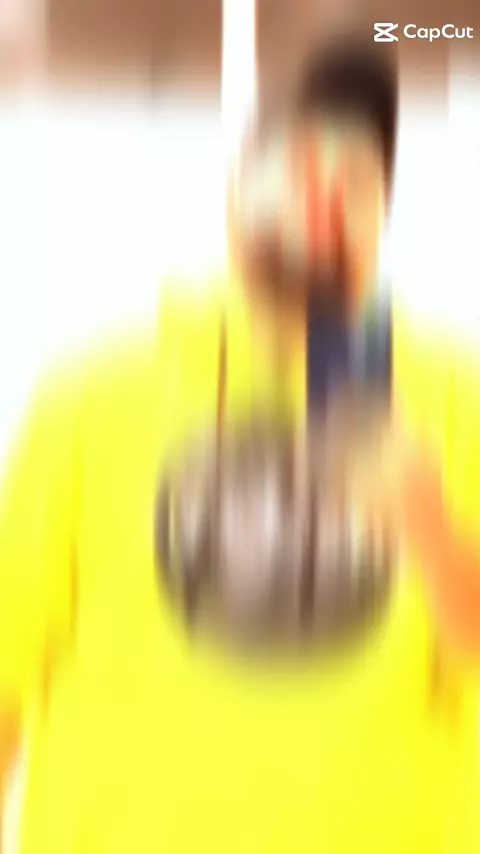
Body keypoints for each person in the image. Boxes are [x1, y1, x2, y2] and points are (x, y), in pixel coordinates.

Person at [0, 37, 479, 854]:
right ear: (234, 203)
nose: (318, 208)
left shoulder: (453, 402)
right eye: (293, 177)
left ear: (381, 219)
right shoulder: (91, 401)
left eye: (352, 186)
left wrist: (431, 532)